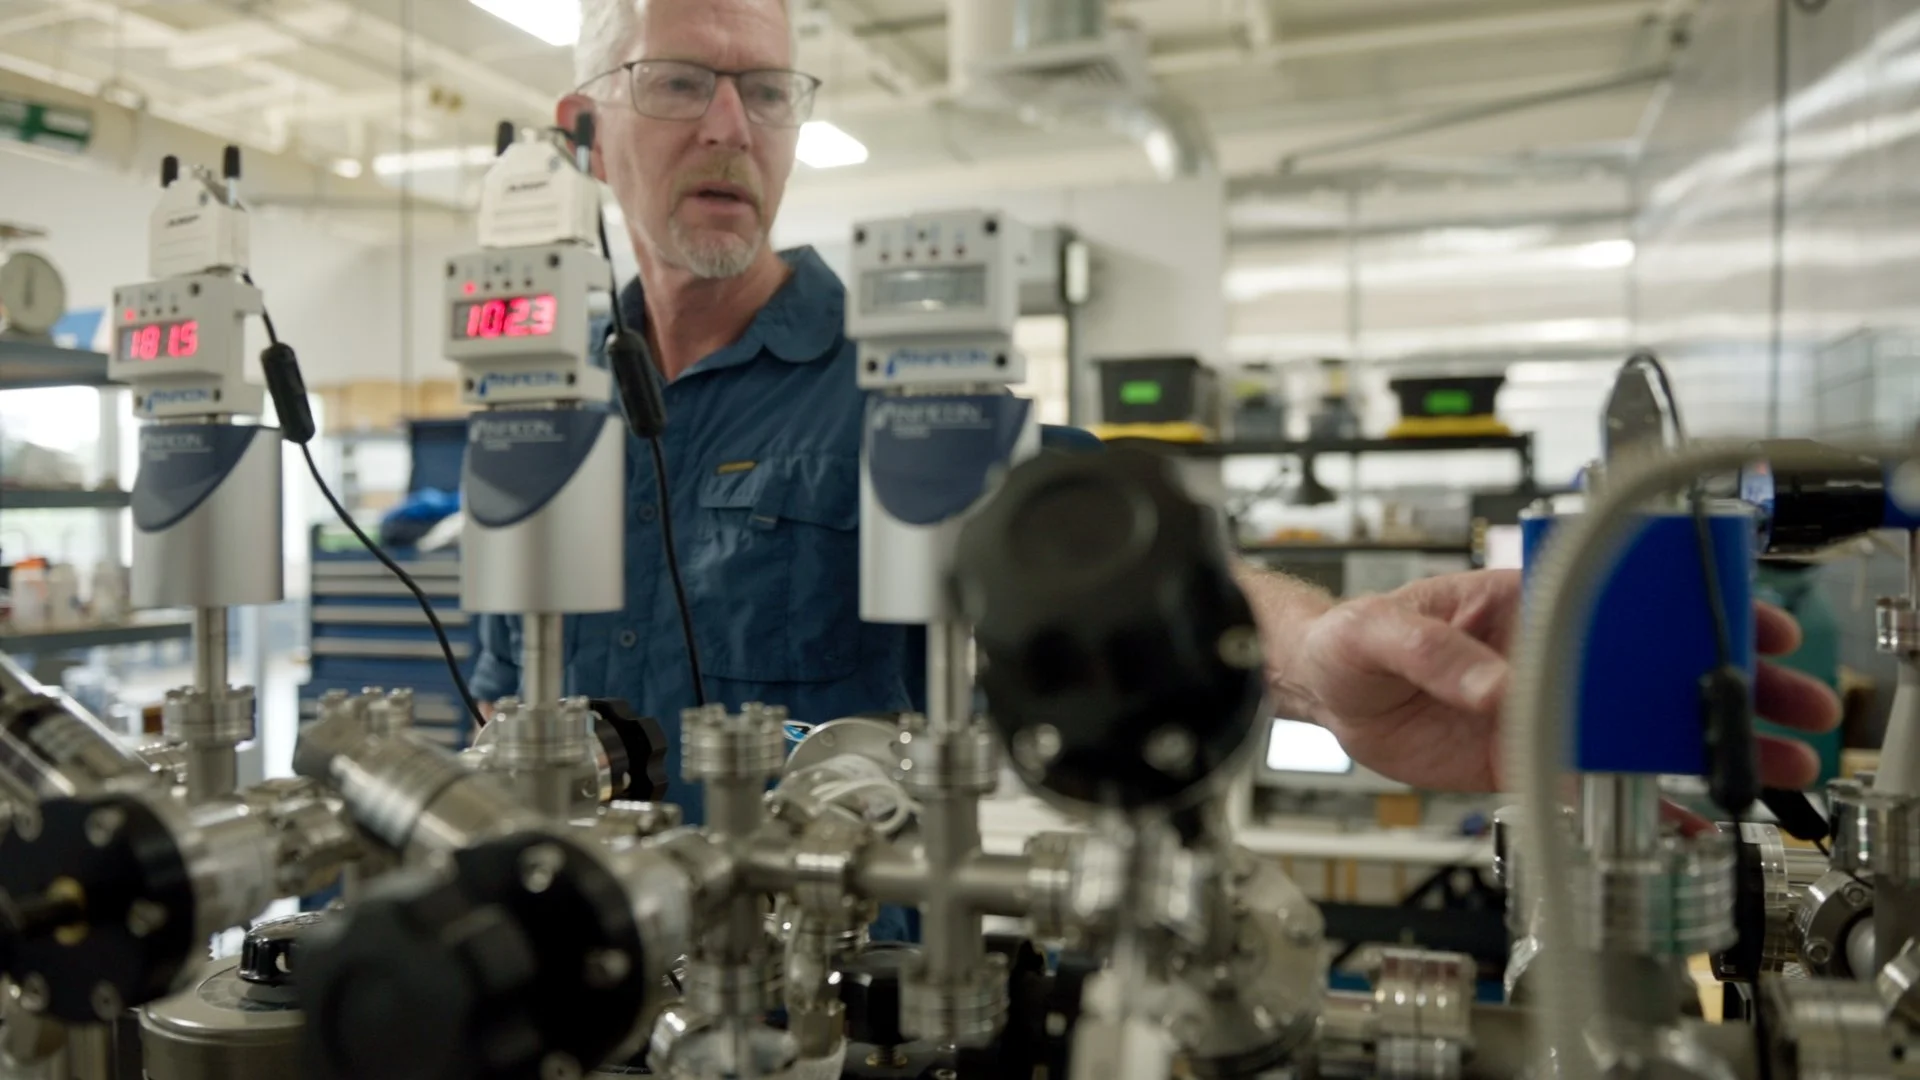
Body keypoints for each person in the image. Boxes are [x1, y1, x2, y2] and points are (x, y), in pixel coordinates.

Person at [470, 0, 1841, 825]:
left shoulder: (898, 381)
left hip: (826, 995)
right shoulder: (539, 397)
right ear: (585, 126)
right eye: (679, 83)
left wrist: (1319, 655)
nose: (730, 124)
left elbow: (1121, 546)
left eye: (766, 90)